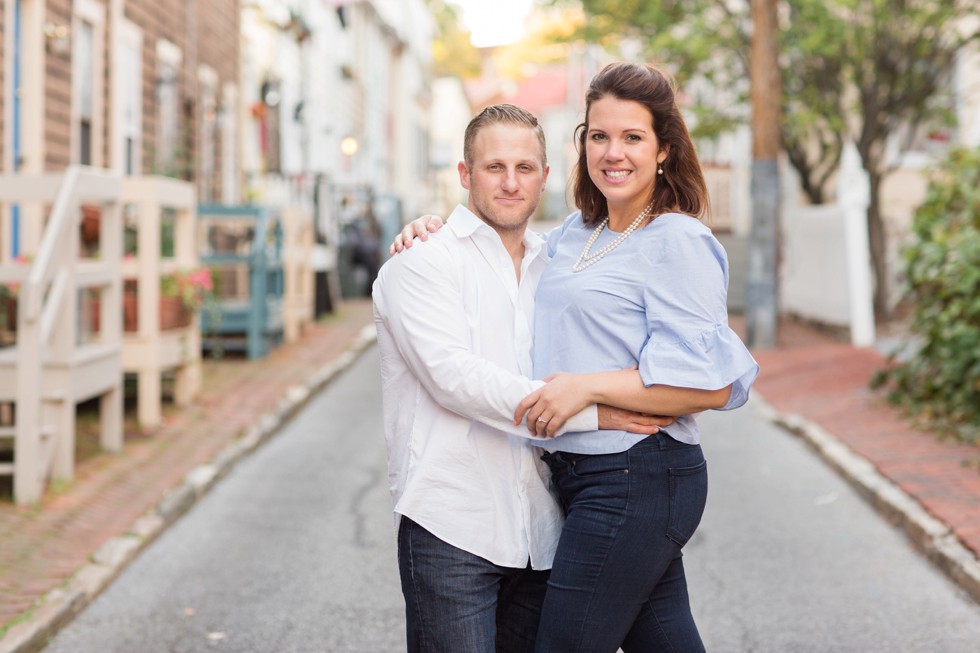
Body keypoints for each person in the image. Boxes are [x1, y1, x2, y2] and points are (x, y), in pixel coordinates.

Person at [391, 62, 759, 652]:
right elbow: (499, 236)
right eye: (599, 135)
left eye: (633, 137)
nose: (614, 152)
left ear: (664, 150)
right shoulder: (574, 235)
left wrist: (586, 389)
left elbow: (711, 388)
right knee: (664, 641)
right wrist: (434, 229)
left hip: (638, 475)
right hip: (580, 478)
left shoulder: (677, 240)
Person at [372, 103, 674, 653]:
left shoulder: (558, 265)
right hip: (452, 526)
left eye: (525, 168)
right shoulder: (421, 263)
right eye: (494, 168)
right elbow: (454, 378)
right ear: (465, 174)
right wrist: (594, 411)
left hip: (544, 528)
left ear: (545, 177)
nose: (511, 184)